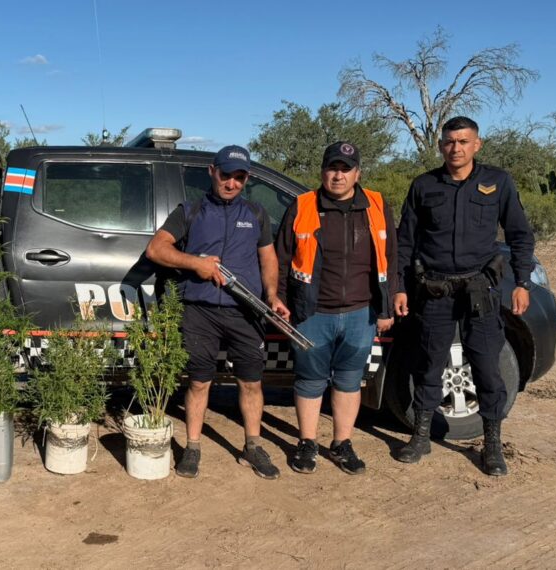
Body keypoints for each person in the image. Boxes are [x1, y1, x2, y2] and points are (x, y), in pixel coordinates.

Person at [393, 116, 535, 476]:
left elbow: (519, 234)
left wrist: (522, 282)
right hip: (435, 290)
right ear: (441, 145)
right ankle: (421, 437)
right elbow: (404, 242)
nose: (455, 148)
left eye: (463, 141)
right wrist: (399, 287)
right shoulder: (424, 185)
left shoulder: (497, 182)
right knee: (429, 363)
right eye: (449, 142)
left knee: (487, 366)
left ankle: (491, 446)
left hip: (480, 290)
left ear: (477, 145)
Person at [146, 145, 289, 479]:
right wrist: (196, 264)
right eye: (226, 175)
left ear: (247, 179)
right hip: (200, 310)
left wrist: (272, 297)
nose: (232, 183)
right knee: (199, 382)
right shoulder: (191, 211)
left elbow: (268, 258)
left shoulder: (256, 213)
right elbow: (156, 248)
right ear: (212, 171)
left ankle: (252, 447)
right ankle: (192, 447)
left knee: (252, 383)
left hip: (245, 310)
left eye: (239, 177)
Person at [274, 141, 396, 475]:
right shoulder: (303, 205)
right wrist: (279, 298)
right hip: (312, 312)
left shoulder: (376, 204)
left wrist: (385, 308)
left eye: (345, 169)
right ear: (322, 171)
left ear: (357, 173)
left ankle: (342, 443)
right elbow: (282, 257)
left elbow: (391, 258)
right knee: (310, 381)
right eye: (332, 168)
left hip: (361, 313)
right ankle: (307, 443)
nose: (338, 175)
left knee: (349, 380)